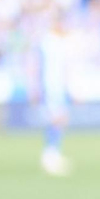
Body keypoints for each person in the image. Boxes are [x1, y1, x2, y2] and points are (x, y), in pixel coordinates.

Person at [37, 9, 73, 177]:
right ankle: (50, 154)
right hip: (50, 87)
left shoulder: (61, 41)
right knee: (56, 119)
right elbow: (38, 64)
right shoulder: (48, 41)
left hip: (58, 86)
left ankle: (53, 152)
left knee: (60, 120)